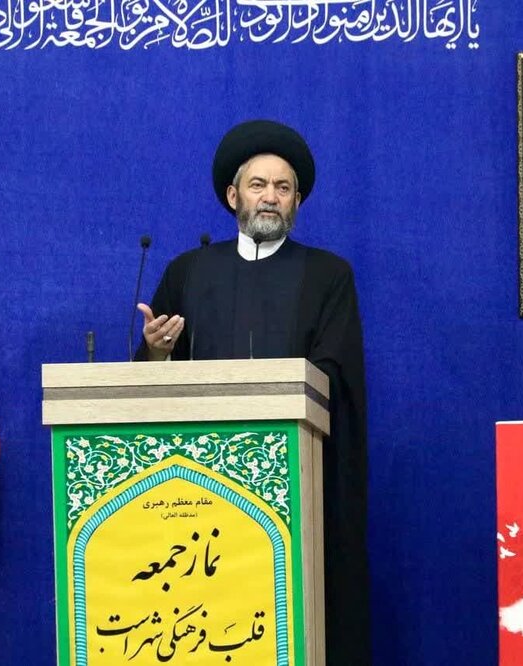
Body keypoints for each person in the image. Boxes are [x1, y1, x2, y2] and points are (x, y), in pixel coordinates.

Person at [135, 119, 370, 663]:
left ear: (297, 203)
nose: (270, 197)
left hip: (296, 487)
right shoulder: (188, 271)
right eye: (259, 185)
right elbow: (149, 385)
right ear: (233, 195)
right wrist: (157, 352)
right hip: (196, 497)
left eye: (283, 188)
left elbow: (337, 377)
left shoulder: (328, 275)